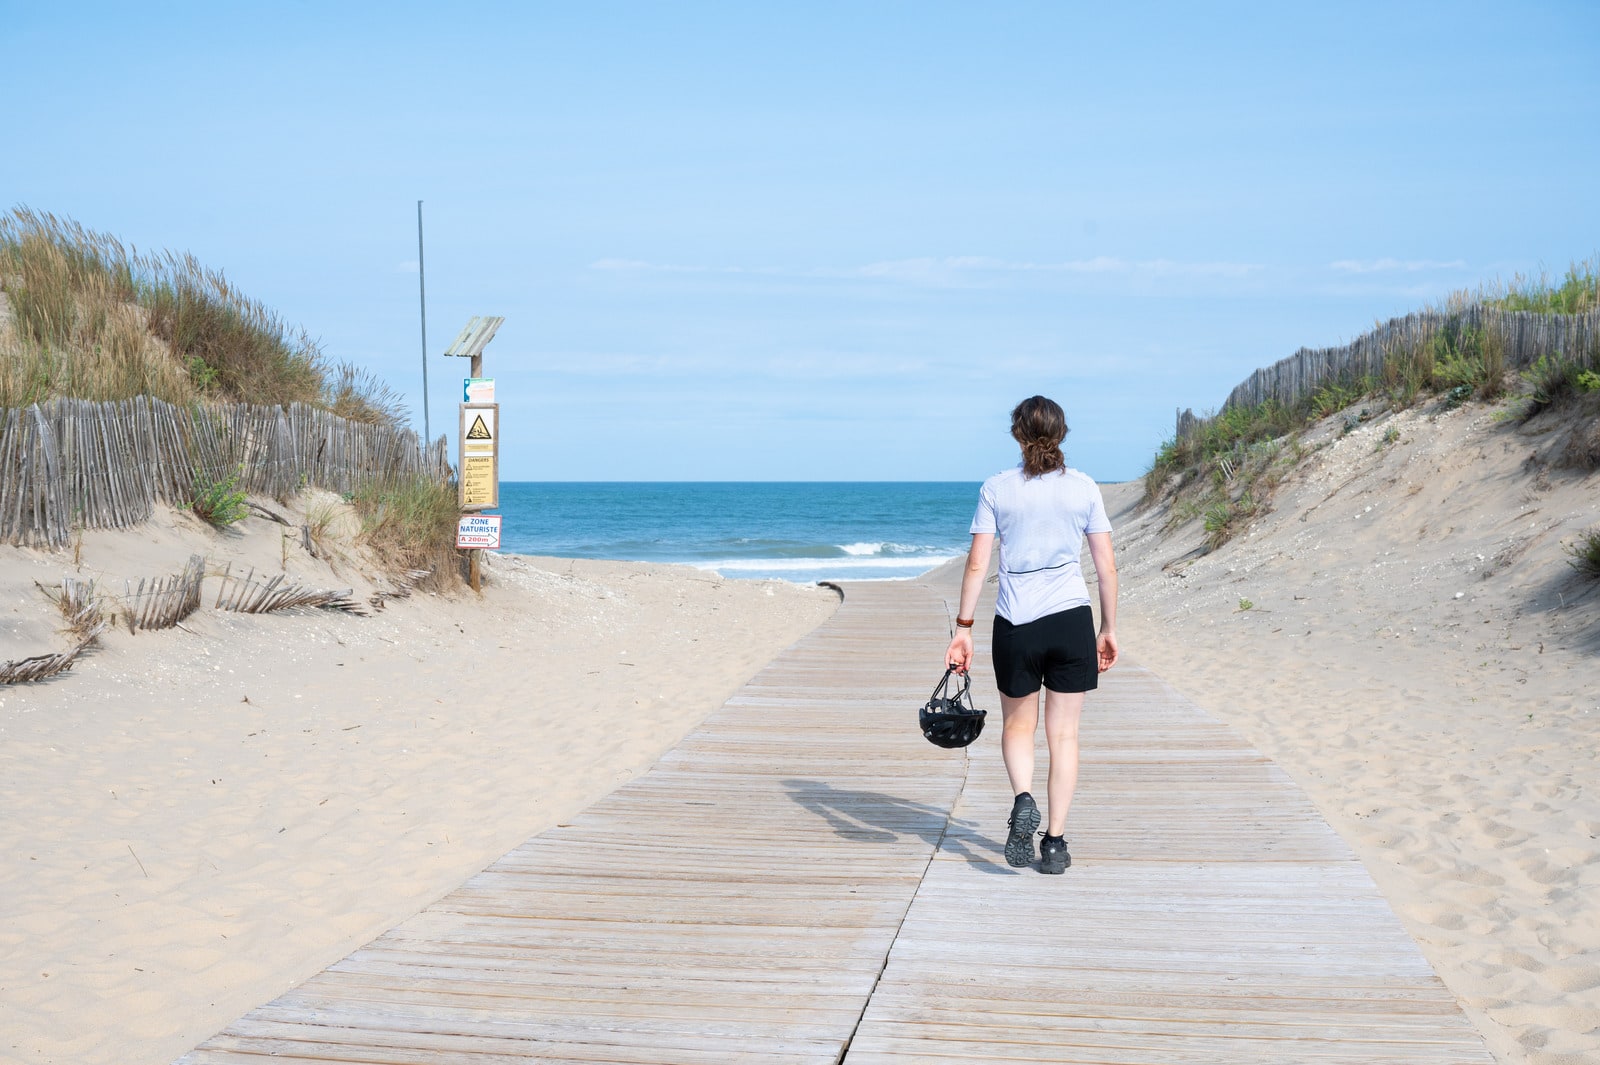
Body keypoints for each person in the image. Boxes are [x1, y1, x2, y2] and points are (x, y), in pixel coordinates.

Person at [945, 396, 1118, 875]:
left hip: (1015, 624)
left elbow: (978, 562)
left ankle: (1023, 798)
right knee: (1064, 735)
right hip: (1070, 620)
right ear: (1062, 433)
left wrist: (963, 629)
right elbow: (1106, 566)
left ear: (1018, 434)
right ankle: (1056, 843)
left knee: (1018, 727)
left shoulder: (997, 488)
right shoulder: (1084, 488)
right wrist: (1108, 627)